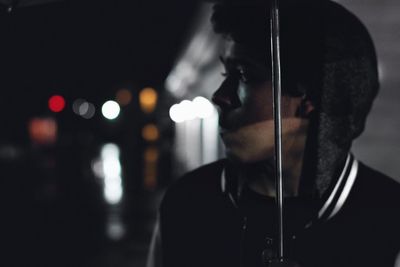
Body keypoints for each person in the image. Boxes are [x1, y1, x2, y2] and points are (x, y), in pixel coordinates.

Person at [147, 0, 400, 266]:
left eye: (244, 75)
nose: (220, 96)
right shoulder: (185, 205)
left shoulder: (389, 221)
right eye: (226, 72)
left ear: (311, 97)